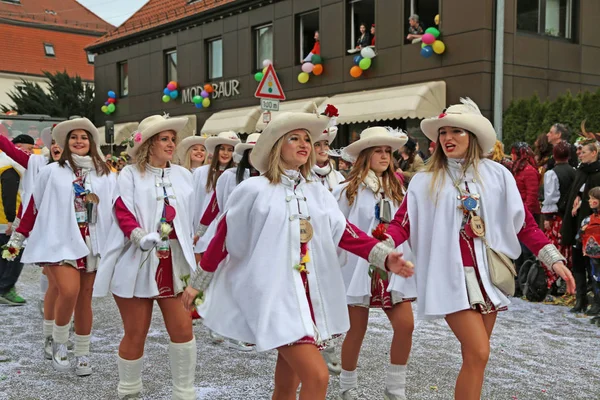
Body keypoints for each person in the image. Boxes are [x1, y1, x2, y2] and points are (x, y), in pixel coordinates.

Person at [182, 110, 413, 400]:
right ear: (277, 145)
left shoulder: (317, 192)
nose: (305, 144)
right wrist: (198, 282)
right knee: (317, 376)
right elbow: (223, 238)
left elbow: (344, 232)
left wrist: (383, 256)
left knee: (287, 382)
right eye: (295, 138)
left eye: (307, 138)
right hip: (277, 297)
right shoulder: (254, 190)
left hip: (309, 298)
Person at [382, 98, 574, 400]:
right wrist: (383, 247)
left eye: (456, 131)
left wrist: (553, 258)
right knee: (479, 351)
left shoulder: (498, 176)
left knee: (475, 358)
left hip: (488, 278)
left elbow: (523, 224)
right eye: (443, 132)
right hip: (449, 279)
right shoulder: (424, 181)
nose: (447, 138)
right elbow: (401, 222)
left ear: (472, 136)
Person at [93, 114, 197, 399]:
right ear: (148, 144)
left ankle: (184, 393)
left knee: (183, 329)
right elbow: (121, 209)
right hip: (136, 263)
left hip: (174, 264)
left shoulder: (184, 175)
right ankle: (128, 391)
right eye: (164, 139)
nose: (171, 144)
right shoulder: (129, 175)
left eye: (173, 139)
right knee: (136, 332)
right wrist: (139, 235)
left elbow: (193, 216)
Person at [7, 118, 115, 376]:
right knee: (68, 291)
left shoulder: (105, 174)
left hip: (92, 242)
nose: (79, 141)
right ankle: (58, 340)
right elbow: (34, 205)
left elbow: (115, 207)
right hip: (59, 240)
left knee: (85, 299)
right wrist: (19, 237)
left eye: (84, 137)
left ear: (92, 142)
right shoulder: (51, 171)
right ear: (66, 143)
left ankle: (83, 353)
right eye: (74, 137)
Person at [333, 127, 417, 400]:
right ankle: (348, 386)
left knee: (405, 325)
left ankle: (395, 389)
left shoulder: (398, 189)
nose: (384, 156)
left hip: (393, 267)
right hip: (358, 267)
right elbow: (337, 231)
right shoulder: (347, 190)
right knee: (356, 329)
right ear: (366, 155)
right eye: (378, 151)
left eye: (387, 151)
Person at [195, 133, 261, 351]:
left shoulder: (268, 177)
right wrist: (200, 231)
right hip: (231, 237)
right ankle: (221, 324)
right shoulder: (229, 177)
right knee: (228, 281)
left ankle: (248, 328)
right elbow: (215, 204)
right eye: (253, 152)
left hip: (257, 239)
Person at [561, 142, 600, 314]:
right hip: (578, 223)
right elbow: (574, 192)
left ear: (594, 153)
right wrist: (575, 199)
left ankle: (595, 302)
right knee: (577, 261)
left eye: (583, 152)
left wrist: (583, 201)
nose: (580, 154)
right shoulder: (581, 171)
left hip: (593, 226)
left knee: (592, 262)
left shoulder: (597, 173)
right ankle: (580, 299)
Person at [193, 131, 240, 257]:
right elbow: (194, 202)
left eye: (230, 149)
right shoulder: (200, 172)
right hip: (201, 231)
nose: (225, 153)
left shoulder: (237, 175)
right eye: (222, 149)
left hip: (224, 231)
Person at [0, 136, 33, 305]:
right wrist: (11, 220)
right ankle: (6, 288)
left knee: (5, 255)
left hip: (4, 220)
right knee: (14, 253)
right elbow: (9, 195)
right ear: (17, 147)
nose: (30, 153)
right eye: (28, 149)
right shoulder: (11, 167)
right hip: (7, 221)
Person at [542, 141, 576, 271]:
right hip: (570, 215)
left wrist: (547, 217)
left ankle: (556, 278)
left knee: (555, 247)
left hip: (557, 217)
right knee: (568, 246)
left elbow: (550, 196)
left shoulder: (552, 174)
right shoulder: (574, 171)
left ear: (554, 155)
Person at [578, 186, 600, 323]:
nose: (590, 201)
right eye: (590, 198)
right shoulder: (590, 218)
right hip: (592, 254)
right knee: (596, 280)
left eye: (594, 198)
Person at [511, 142, 541, 218]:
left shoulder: (528, 170)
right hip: (520, 209)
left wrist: (526, 213)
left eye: (513, 153)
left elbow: (532, 194)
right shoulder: (517, 169)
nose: (511, 155)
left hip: (529, 213)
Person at [312, 126, 345, 191]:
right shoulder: (302, 175)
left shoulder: (338, 176)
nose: (323, 148)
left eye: (326, 144)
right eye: (317, 144)